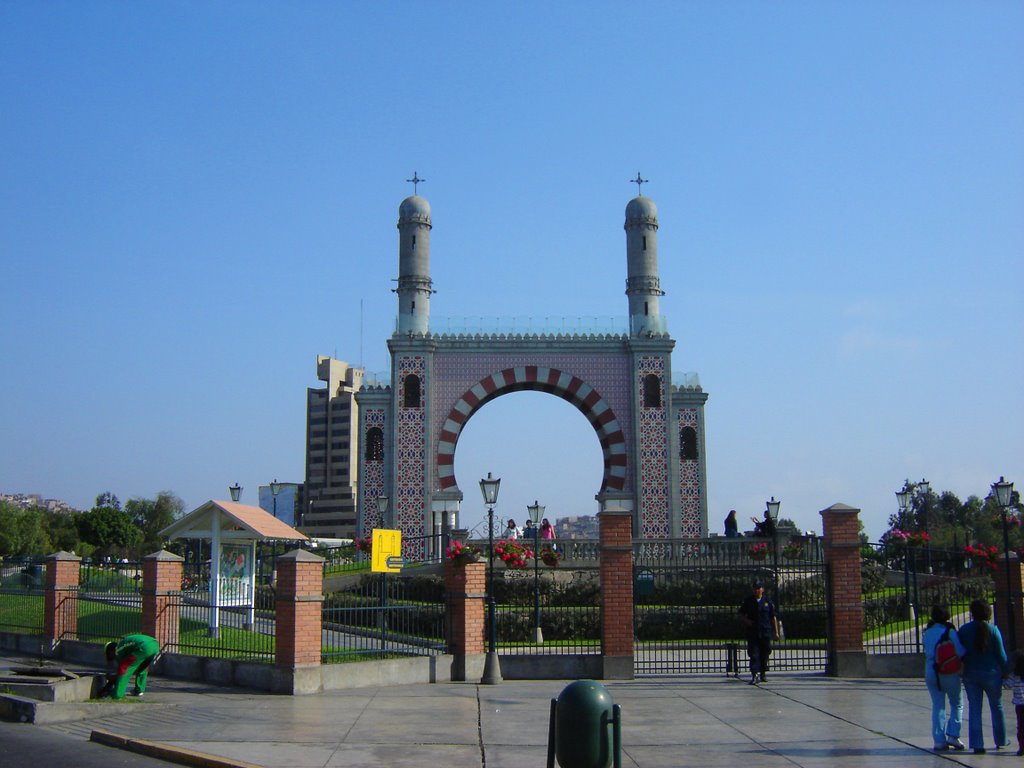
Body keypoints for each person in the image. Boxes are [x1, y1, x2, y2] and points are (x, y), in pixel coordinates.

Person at [959, 598, 1008, 754]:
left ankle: (977, 744)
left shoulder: (964, 630)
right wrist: (1006, 672)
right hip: (992, 673)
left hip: (970, 673)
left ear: (972, 613)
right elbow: (1001, 655)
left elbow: (960, 652)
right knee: (997, 706)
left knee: (974, 708)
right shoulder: (993, 630)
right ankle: (1001, 739)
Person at [922, 604, 966, 751]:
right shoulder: (949, 631)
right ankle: (953, 735)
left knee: (938, 706)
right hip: (948, 671)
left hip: (931, 671)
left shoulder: (927, 632)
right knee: (957, 703)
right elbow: (960, 651)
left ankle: (939, 741)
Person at [738, 579, 779, 685]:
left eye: (758, 588)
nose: (756, 590)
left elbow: (773, 617)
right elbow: (741, 614)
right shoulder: (748, 601)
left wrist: (776, 632)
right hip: (753, 631)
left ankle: (763, 673)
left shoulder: (767, 601)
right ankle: (754, 674)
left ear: (762, 589)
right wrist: (747, 621)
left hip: (765, 631)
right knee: (754, 653)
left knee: (765, 652)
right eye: (754, 588)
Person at [100, 633, 161, 699]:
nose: (112, 658)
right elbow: (133, 663)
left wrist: (112, 678)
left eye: (109, 655)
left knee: (124, 668)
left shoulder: (118, 649)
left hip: (143, 646)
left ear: (110, 651)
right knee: (143, 668)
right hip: (155, 645)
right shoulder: (124, 645)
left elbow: (122, 669)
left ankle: (117, 695)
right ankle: (139, 690)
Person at [1006, 651, 1024, 756]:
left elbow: (1007, 686)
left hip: (1019, 706)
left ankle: (1022, 747)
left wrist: (1004, 679)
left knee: (1021, 727)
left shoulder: (1014, 676)